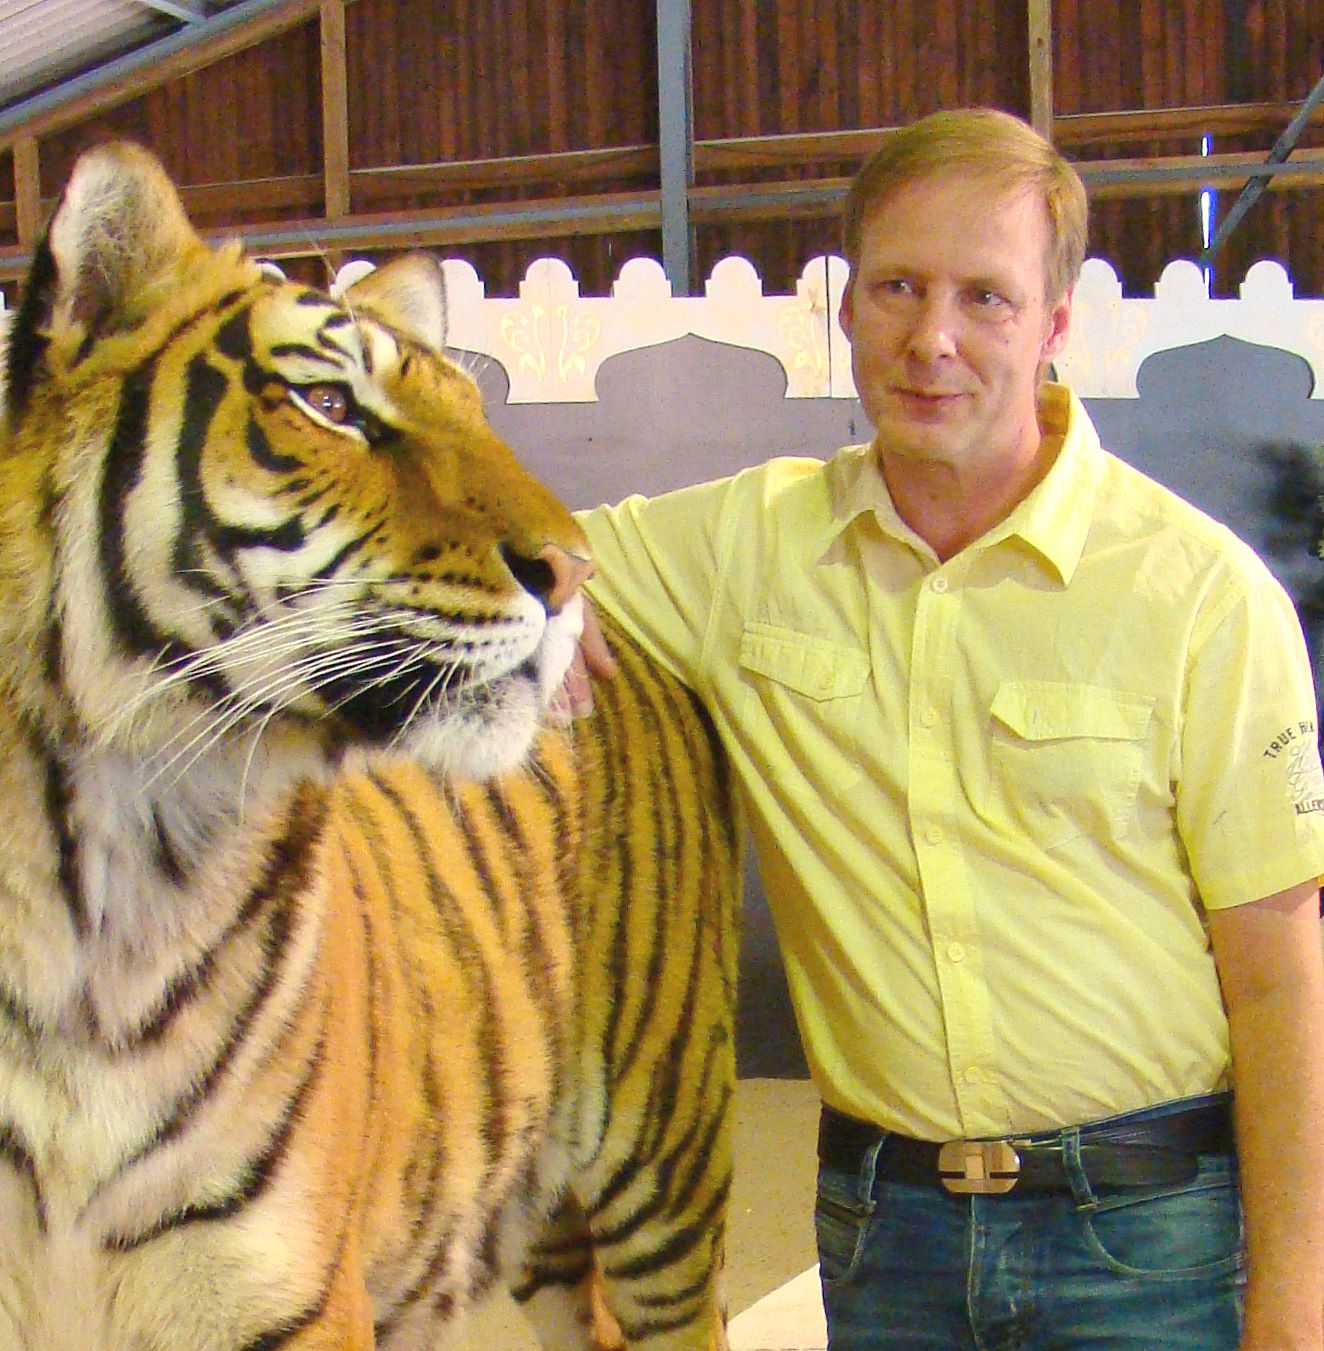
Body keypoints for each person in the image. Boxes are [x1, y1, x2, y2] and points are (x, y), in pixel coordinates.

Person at [569, 107, 1324, 1349]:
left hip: (1146, 1245)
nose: (932, 339)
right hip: (888, 1237)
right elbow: (507, 549)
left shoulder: (1198, 595)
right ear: (846, 306)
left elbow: (1279, 973)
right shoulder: (745, 551)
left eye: (985, 298)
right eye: (897, 288)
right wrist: (538, 607)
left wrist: (1294, 1305)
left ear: (1054, 326)